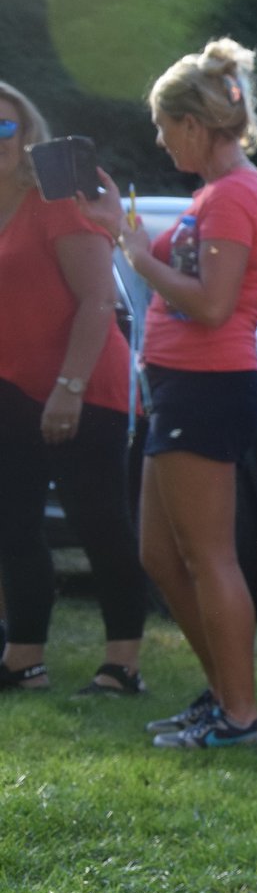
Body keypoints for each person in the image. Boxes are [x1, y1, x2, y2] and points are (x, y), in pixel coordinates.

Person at [80, 38, 257, 748]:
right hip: (177, 387)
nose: (161, 141)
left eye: (165, 127)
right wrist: (121, 229)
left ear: (194, 124)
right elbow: (181, 273)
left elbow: (213, 304)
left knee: (208, 556)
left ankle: (240, 716)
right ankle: (222, 694)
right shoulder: (214, 196)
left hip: (206, 386)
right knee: (161, 555)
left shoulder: (234, 195)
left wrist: (137, 255)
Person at [0, 80, 148, 695]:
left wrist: (69, 387)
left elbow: (98, 301)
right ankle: (24, 661)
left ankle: (122, 666)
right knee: (13, 525)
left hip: (84, 384)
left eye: (4, 128)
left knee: (99, 525)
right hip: (12, 386)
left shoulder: (56, 199)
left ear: (26, 133)